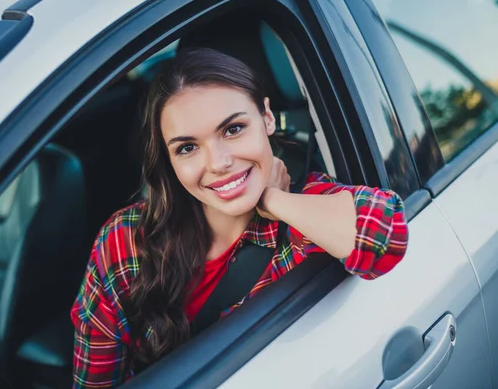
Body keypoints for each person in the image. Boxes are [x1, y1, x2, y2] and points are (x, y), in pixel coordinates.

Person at [70, 48, 408, 388]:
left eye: (233, 129)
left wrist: (272, 200)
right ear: (170, 161)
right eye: (187, 148)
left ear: (267, 117)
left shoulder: (304, 213)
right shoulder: (126, 240)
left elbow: (386, 235)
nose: (218, 163)